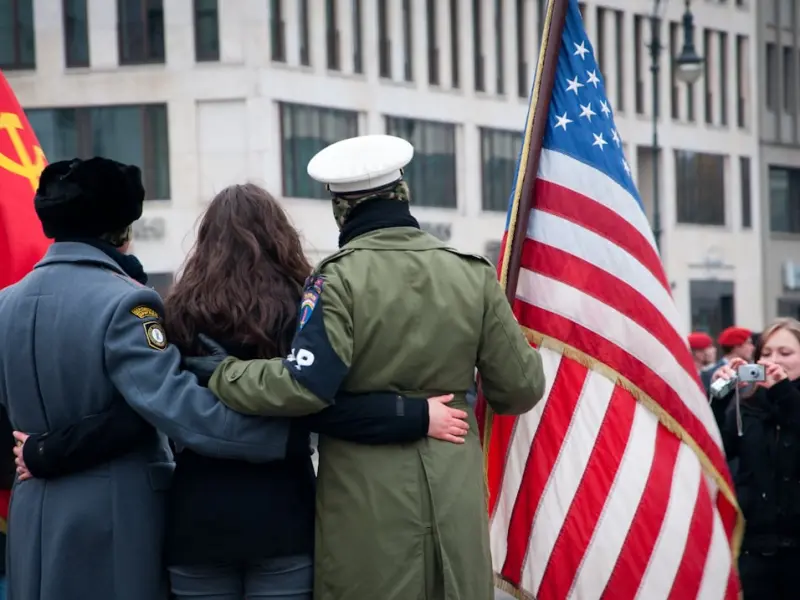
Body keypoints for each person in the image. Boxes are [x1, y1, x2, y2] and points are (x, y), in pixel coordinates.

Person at [9, 182, 470, 600]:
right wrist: (410, 414)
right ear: (280, 238)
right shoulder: (304, 309)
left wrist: (47, 450)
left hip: (197, 520)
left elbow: (152, 405)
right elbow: (324, 402)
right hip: (284, 513)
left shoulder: (178, 314)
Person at [185, 134, 547, 600]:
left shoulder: (336, 278)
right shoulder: (472, 272)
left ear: (342, 208)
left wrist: (223, 373)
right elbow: (520, 388)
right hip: (453, 486)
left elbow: (302, 386)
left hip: (366, 497)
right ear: (404, 193)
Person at [710, 318, 800, 599]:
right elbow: (718, 452)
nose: (774, 361)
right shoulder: (747, 404)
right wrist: (721, 395)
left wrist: (783, 390)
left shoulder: (787, 398)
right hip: (756, 546)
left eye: (786, 354)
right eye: (766, 353)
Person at [700, 326, 754, 393]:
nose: (752, 347)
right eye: (749, 343)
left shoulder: (754, 370)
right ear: (736, 346)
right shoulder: (710, 374)